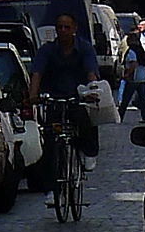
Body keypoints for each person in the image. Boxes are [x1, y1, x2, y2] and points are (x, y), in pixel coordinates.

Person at [29, 12, 101, 169]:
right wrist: (33, 95)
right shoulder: (47, 50)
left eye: (66, 27)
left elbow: (91, 72)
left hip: (77, 97)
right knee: (49, 139)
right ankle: (50, 186)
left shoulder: (84, 48)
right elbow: (37, 73)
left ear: (74, 28)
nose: (63, 30)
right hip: (54, 98)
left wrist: (92, 90)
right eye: (59, 27)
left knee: (85, 123)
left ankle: (88, 153)